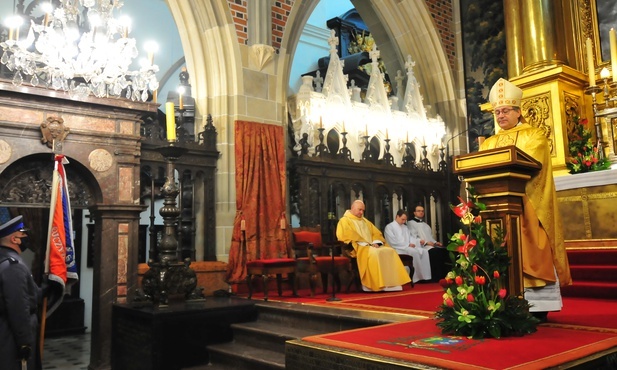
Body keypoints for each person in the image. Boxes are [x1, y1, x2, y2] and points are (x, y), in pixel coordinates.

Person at [480, 78, 571, 322]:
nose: (500, 115)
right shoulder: (488, 142)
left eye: (505, 110)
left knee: (531, 251)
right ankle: (501, 301)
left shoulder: (534, 136)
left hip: (528, 206)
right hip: (496, 210)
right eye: (497, 111)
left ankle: (538, 307)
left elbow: (530, 163)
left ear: (518, 111)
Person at [336, 200, 411, 292]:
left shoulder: (365, 221)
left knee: (389, 251)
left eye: (363, 210)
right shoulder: (344, 221)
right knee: (375, 253)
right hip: (358, 248)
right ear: (352, 208)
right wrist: (368, 244)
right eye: (360, 210)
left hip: (371, 245)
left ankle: (391, 284)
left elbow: (376, 233)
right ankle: (375, 285)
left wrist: (377, 242)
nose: (361, 212)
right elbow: (346, 236)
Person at [0, 215, 42, 370]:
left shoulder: (4, 259)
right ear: (14, 239)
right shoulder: (14, 265)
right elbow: (18, 307)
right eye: (23, 234)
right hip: (11, 333)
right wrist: (25, 342)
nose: (26, 238)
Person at [384, 210, 432, 283]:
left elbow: (411, 238)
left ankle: (426, 276)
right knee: (414, 252)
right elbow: (392, 242)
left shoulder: (405, 227)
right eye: (402, 219)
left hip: (407, 247)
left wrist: (417, 241)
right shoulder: (389, 227)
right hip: (397, 248)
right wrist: (407, 244)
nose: (404, 221)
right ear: (397, 216)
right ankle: (416, 278)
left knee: (424, 251)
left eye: (405, 220)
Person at [407, 205, 449, 282]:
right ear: (414, 213)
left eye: (422, 211)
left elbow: (430, 237)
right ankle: (435, 277)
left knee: (444, 250)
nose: (421, 212)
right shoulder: (410, 223)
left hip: (430, 246)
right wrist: (426, 243)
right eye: (419, 211)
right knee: (435, 252)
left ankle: (444, 277)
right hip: (421, 246)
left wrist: (436, 242)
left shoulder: (426, 225)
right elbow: (412, 237)